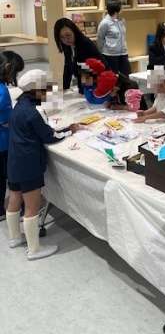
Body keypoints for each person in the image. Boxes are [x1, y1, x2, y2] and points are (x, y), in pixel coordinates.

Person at [6, 69, 81, 260]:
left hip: (14, 161)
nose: (48, 92)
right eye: (46, 89)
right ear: (36, 90)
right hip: (29, 164)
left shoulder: (18, 106)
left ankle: (14, 238)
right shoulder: (32, 112)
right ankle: (34, 249)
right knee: (32, 205)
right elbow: (49, 136)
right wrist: (70, 130)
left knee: (14, 199)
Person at [0, 53, 23, 221]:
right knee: (12, 176)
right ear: (8, 68)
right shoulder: (2, 92)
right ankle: (19, 208)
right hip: (4, 143)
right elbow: (7, 120)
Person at [54, 18, 104, 92]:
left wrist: (82, 91)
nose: (66, 40)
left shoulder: (84, 44)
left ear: (74, 31)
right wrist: (65, 88)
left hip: (99, 80)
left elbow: (86, 72)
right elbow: (67, 66)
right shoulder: (67, 45)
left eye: (68, 35)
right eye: (62, 37)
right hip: (86, 77)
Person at [96, 0, 131, 75]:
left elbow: (123, 36)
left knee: (126, 76)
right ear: (116, 10)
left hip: (123, 53)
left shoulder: (121, 21)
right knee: (113, 77)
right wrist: (101, 54)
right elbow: (100, 39)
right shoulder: (105, 23)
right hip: (110, 55)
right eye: (121, 7)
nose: (122, 9)